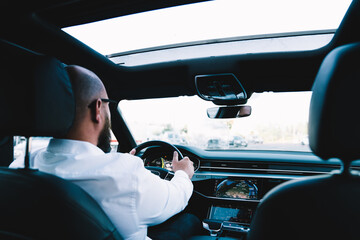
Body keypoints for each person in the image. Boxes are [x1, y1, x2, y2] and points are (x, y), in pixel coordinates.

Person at [10, 65, 200, 240]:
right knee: (189, 221)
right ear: (98, 108)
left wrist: (120, 163)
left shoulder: (18, 169)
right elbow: (176, 197)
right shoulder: (126, 175)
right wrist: (183, 173)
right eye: (109, 104)